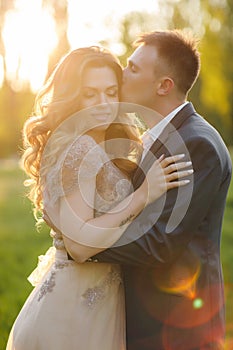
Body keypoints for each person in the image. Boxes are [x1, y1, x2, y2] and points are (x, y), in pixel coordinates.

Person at [6, 46, 192, 350]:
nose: (103, 105)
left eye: (110, 91)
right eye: (90, 94)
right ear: (73, 96)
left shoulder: (99, 144)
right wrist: (143, 195)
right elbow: (79, 246)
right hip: (71, 320)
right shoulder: (79, 150)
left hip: (97, 306)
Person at [92, 30, 232, 349]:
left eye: (133, 68)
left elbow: (159, 244)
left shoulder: (196, 144)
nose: (122, 73)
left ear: (163, 85)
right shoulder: (161, 134)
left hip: (176, 327)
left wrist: (83, 241)